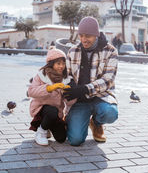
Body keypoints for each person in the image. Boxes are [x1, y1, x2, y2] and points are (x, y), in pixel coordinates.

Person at [63, 16, 118, 146]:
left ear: (96, 35)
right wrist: (70, 84)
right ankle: (75, 120)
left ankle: (97, 123)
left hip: (101, 97)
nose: (83, 39)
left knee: (110, 113)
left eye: (87, 36)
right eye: (81, 35)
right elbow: (67, 74)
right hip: (80, 100)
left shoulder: (110, 51)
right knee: (75, 140)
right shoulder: (73, 51)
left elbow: (108, 80)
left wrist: (85, 89)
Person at [28, 48, 76, 146]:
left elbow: (70, 103)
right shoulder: (41, 75)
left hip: (56, 113)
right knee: (51, 111)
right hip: (41, 109)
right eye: (58, 63)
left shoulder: (66, 79)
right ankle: (41, 132)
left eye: (63, 63)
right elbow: (31, 92)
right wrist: (49, 88)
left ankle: (48, 126)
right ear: (51, 63)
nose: (61, 66)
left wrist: (68, 93)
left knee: (61, 138)